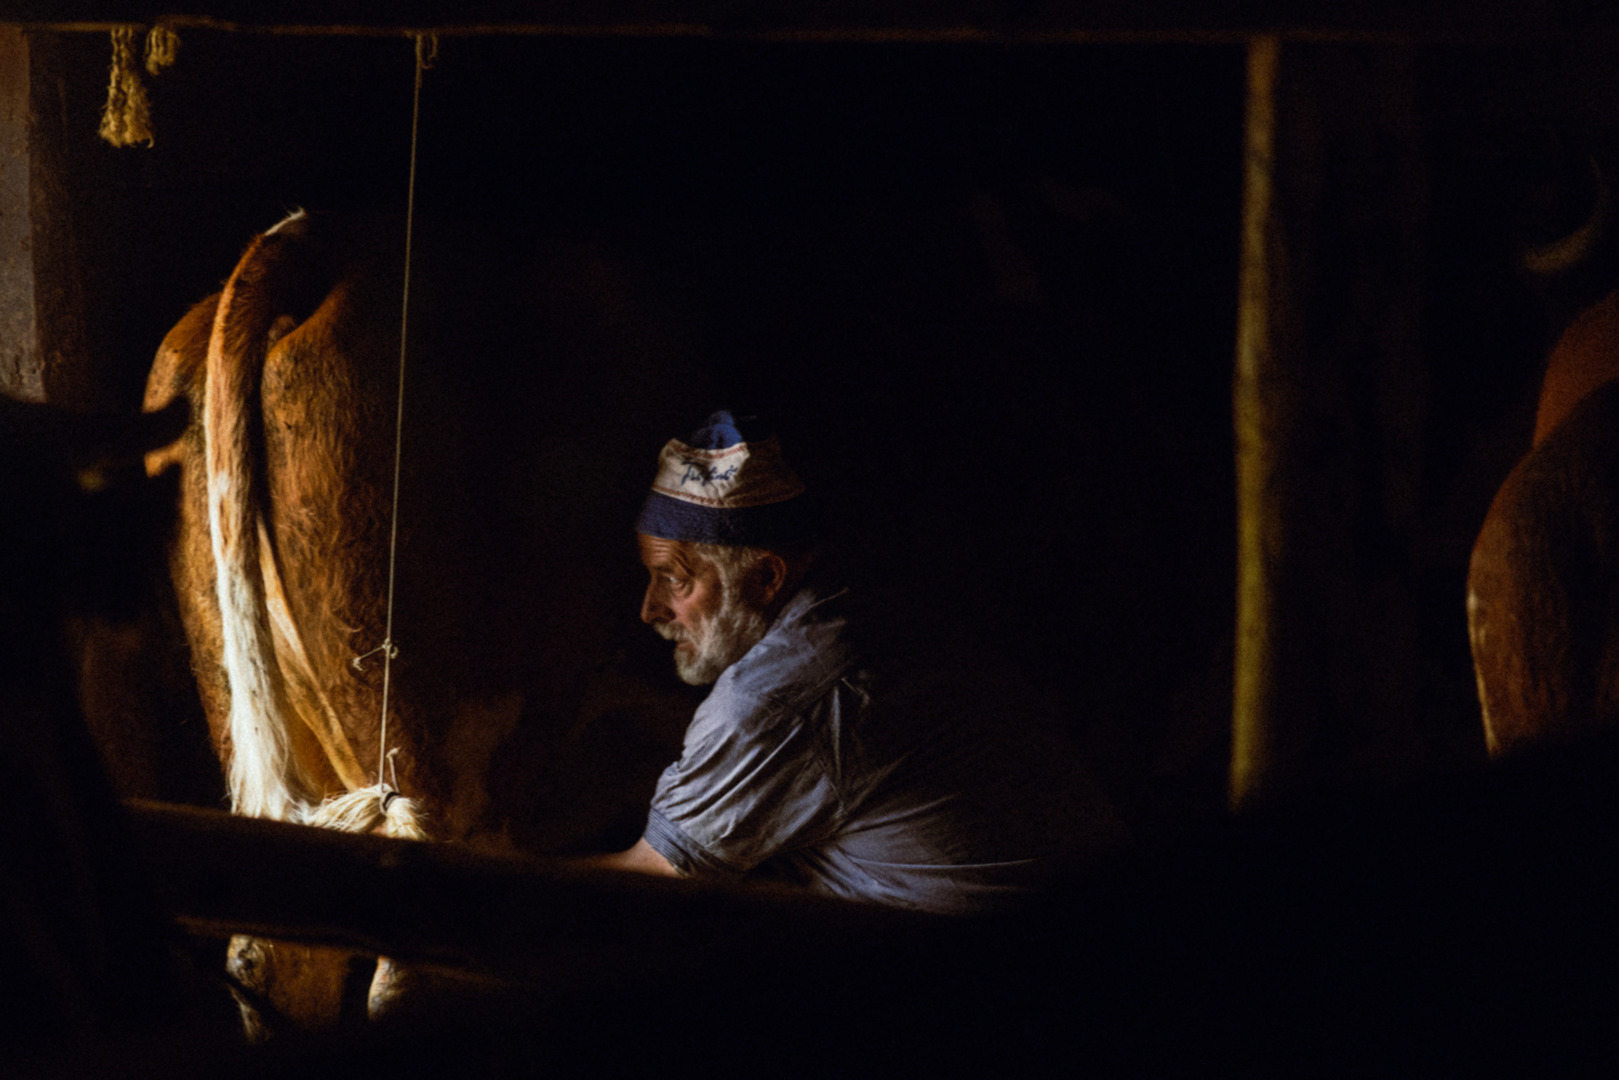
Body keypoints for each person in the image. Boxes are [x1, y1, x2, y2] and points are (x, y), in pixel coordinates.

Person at [587, 410, 1124, 913]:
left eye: (674, 579)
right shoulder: (872, 610)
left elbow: (648, 885)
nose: (650, 609)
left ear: (767, 577)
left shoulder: (776, 697)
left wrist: (530, 877)